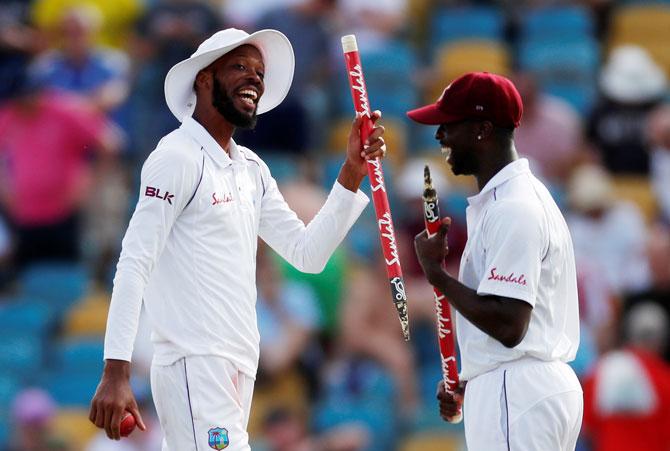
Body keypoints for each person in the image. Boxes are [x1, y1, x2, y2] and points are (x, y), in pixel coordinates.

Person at [88, 28, 386, 448]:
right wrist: (115, 370)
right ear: (205, 79)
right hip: (194, 362)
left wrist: (351, 172)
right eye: (240, 68)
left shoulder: (251, 169)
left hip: (238, 363)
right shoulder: (176, 157)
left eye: (260, 73)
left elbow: (307, 254)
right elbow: (134, 262)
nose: (255, 80)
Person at [408, 72, 583, 450]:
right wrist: (472, 379)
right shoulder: (517, 199)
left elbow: (509, 324)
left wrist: (436, 274)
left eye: (448, 125)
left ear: (483, 130)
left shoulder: (513, 208)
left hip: (518, 388)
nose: (439, 136)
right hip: (523, 387)